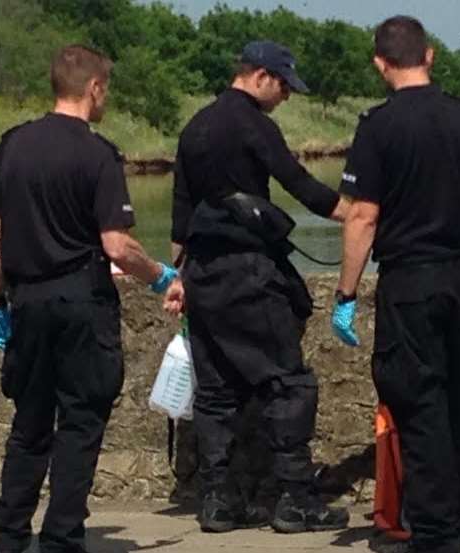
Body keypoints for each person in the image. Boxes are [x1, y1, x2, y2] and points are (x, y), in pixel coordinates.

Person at [330, 16, 460, 553]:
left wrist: (345, 295)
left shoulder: (377, 127)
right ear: (430, 56)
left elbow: (363, 216)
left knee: (419, 408)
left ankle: (435, 535)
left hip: (409, 283)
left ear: (380, 63)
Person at [0, 44, 178, 553]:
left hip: (28, 303)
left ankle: (7, 534)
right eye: (105, 89)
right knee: (80, 424)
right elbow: (116, 246)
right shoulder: (99, 154)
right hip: (82, 302)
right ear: (94, 88)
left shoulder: (12, 145)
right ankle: (62, 538)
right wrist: (159, 275)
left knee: (29, 422)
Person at [163, 40, 350, 534]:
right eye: (285, 84)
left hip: (202, 274)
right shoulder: (253, 124)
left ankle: (218, 501)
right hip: (249, 272)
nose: (286, 94)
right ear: (261, 75)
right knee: (288, 383)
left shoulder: (194, 127)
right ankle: (294, 499)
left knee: (218, 391)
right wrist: (359, 216)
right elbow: (301, 185)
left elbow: (181, 217)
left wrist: (178, 278)